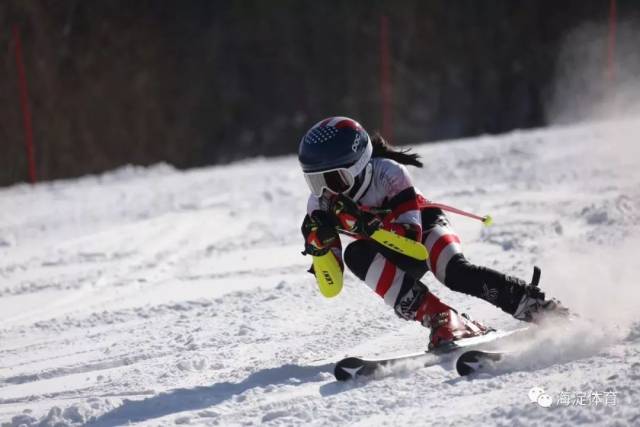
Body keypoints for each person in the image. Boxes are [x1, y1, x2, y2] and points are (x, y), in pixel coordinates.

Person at [298, 116, 566, 349]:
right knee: (356, 253)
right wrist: (321, 250)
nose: (326, 192)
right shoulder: (319, 203)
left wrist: (365, 225)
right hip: (387, 247)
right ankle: (442, 317)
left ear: (357, 167)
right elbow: (331, 288)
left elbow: (413, 246)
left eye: (334, 180)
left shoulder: (389, 174)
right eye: (315, 182)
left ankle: (534, 305)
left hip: (423, 229)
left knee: (455, 272)